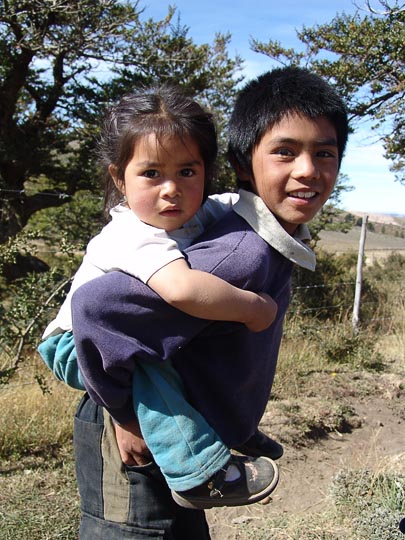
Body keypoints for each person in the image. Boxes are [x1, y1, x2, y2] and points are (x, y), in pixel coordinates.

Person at [53, 66, 349, 539]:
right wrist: (124, 414)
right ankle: (202, 468)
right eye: (284, 152)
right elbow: (95, 311)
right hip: (132, 412)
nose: (308, 170)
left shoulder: (240, 227)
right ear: (241, 161)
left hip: (169, 417)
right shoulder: (238, 254)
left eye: (325, 152)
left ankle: (225, 442)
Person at [38, 85, 280, 509]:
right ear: (119, 177)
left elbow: (240, 205)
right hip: (73, 344)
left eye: (187, 171)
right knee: (153, 366)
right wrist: (253, 308)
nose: (171, 189)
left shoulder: (197, 212)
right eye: (151, 174)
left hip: (116, 336)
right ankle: (201, 473)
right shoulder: (132, 232)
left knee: (177, 356)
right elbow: (182, 289)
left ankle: (231, 427)